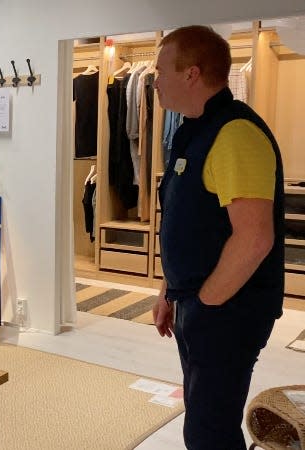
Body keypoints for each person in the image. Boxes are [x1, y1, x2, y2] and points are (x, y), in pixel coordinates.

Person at [151, 26, 285, 450]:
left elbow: (254, 238)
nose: (153, 79)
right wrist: (169, 291)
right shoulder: (192, 129)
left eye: (160, 69)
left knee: (209, 430)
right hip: (198, 302)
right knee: (205, 415)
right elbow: (184, 219)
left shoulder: (235, 133)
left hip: (229, 310)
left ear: (191, 74)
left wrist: (205, 303)